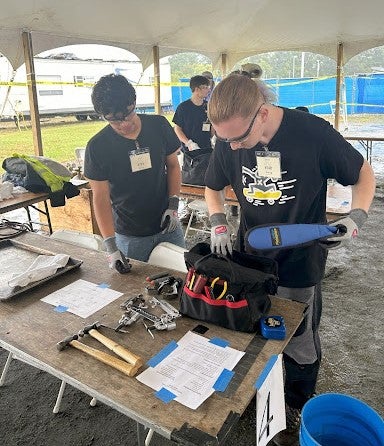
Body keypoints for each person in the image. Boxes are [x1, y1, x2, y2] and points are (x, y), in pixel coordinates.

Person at [204, 74, 376, 446]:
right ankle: (259, 392)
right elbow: (212, 186)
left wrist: (356, 217)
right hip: (251, 258)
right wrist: (218, 222)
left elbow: (363, 173)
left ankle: (298, 401)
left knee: (297, 337)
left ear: (262, 113)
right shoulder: (229, 139)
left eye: (238, 139)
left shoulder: (313, 133)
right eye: (225, 140)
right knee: (256, 325)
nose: (232, 148)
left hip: (301, 260)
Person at [84, 74, 185, 272]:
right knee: (133, 287)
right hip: (130, 234)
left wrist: (173, 205)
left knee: (182, 277)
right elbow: (101, 198)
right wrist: (111, 246)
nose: (124, 124)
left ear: (134, 103)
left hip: (168, 223)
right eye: (114, 120)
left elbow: (173, 166)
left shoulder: (159, 125)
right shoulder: (98, 146)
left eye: (128, 115)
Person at [173, 75, 213, 221]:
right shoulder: (184, 107)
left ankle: (211, 210)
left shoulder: (208, 106)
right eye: (206, 87)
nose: (208, 90)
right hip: (190, 152)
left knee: (208, 178)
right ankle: (190, 213)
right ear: (196, 89)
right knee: (191, 179)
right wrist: (188, 142)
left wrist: (214, 137)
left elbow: (212, 125)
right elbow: (177, 129)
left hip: (207, 149)